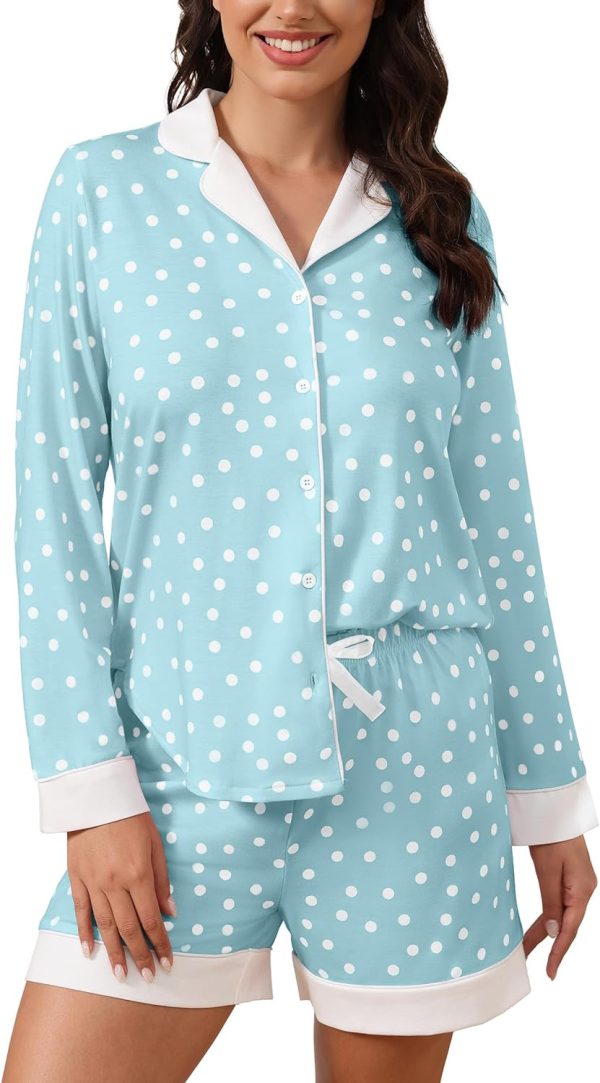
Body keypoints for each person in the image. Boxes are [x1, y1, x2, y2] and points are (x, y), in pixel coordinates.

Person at [4, 2, 599, 1081]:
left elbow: (498, 525)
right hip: (181, 765)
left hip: (416, 773)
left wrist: (549, 797)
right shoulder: (104, 191)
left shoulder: (441, 216)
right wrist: (91, 793)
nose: (293, 7)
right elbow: (52, 510)